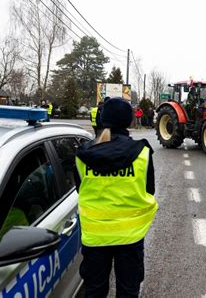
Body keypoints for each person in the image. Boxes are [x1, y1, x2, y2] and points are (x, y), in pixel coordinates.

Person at [75, 97, 157, 297]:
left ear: (102, 119)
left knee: (94, 290)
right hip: (130, 237)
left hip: (95, 237)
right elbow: (150, 190)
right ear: (129, 121)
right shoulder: (142, 152)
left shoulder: (83, 155)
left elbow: (80, 189)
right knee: (128, 291)